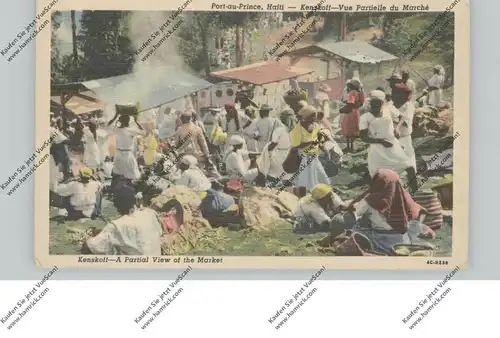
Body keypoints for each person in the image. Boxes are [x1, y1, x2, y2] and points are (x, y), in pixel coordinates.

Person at [346, 169, 432, 255]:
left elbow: (356, 211)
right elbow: (418, 212)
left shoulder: (371, 200)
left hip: (380, 240)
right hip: (403, 241)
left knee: (356, 227)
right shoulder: (404, 197)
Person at [359, 90, 417, 192]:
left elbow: (402, 117)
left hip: (392, 146)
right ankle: (378, 199)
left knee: (409, 167)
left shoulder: (388, 109)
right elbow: (364, 137)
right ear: (370, 104)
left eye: (379, 104)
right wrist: (381, 141)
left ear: (383, 103)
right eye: (373, 105)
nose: (376, 107)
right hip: (377, 150)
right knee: (377, 176)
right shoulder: (365, 117)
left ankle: (415, 193)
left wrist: (397, 128)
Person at [83, 184, 163, 255]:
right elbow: (158, 233)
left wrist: (88, 239)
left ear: (116, 206)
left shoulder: (117, 225)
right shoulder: (150, 214)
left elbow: (90, 247)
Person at [289, 105, 330, 192]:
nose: (314, 118)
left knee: (323, 179)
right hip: (303, 157)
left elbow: (319, 138)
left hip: (314, 157)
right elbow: (296, 146)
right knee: (307, 182)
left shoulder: (315, 126)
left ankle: (322, 192)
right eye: (312, 116)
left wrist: (323, 147)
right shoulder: (297, 130)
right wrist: (311, 142)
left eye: (314, 115)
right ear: (305, 117)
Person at [388, 75, 417, 172]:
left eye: (396, 94)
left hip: (404, 135)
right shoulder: (393, 104)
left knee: (408, 156)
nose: (393, 95)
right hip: (394, 136)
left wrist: (394, 122)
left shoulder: (408, 106)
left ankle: (411, 175)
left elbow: (405, 121)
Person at [107, 113, 146, 186]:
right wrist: (136, 121)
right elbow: (144, 132)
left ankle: (115, 190)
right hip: (127, 155)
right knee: (130, 176)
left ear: (120, 121)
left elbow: (107, 125)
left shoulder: (117, 129)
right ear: (128, 121)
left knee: (117, 174)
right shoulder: (130, 130)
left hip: (118, 155)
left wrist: (115, 116)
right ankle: (128, 190)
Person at [340, 79, 364, 152]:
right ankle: (352, 146)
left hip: (350, 112)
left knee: (348, 129)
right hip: (356, 112)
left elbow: (351, 103)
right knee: (354, 129)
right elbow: (361, 103)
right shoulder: (360, 93)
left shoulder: (352, 93)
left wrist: (344, 107)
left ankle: (348, 146)